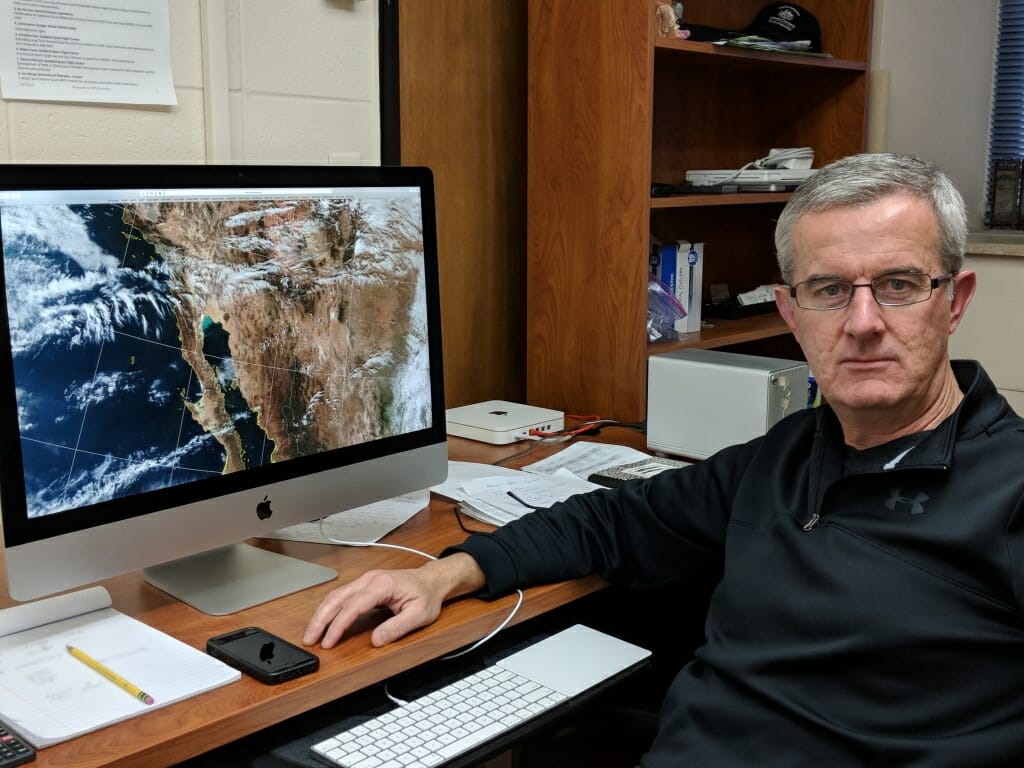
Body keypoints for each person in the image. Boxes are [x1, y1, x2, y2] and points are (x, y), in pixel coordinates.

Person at [303, 153, 1024, 766]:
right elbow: (615, 521)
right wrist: (448, 573)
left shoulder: (1010, 491)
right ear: (790, 312)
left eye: (897, 285)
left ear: (953, 300)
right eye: (830, 291)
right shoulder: (787, 459)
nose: (863, 323)